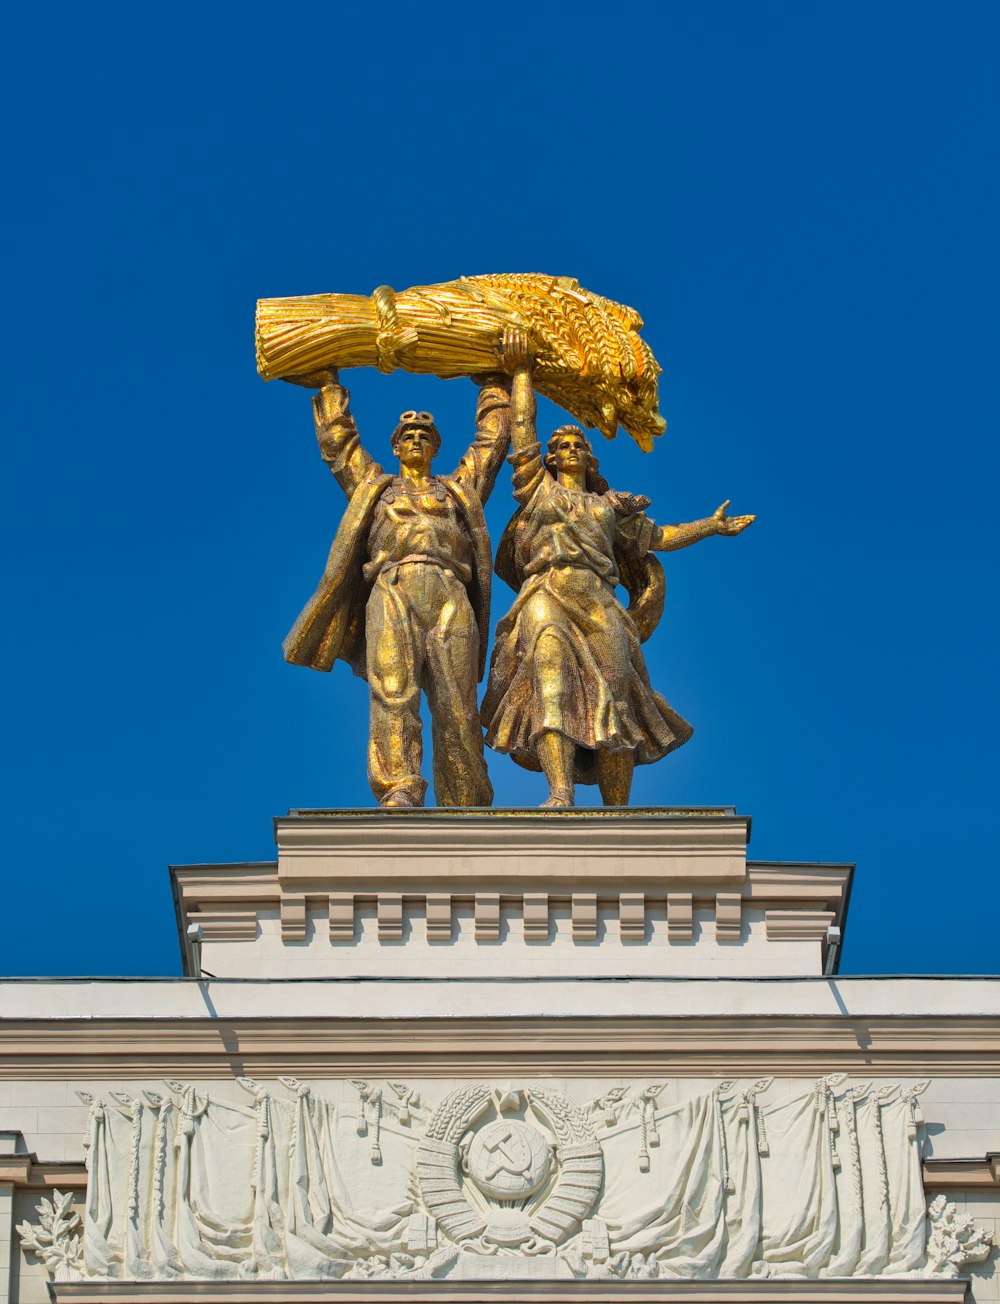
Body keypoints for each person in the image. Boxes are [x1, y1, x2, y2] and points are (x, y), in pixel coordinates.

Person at [481, 339, 755, 807]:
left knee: (615, 697)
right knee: (552, 684)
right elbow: (523, 430)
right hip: (545, 591)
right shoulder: (537, 492)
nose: (567, 449)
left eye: (577, 445)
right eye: (559, 446)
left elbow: (660, 537)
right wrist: (522, 373)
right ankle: (560, 792)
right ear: (548, 459)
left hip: (599, 599)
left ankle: (618, 813)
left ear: (590, 459)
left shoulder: (611, 507)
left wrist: (710, 526)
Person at [282, 365, 513, 808]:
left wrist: (497, 387)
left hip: (449, 590)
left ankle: (465, 799)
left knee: (459, 705)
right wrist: (331, 389)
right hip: (393, 587)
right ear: (394, 446)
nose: (416, 440)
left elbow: (490, 447)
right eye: (407, 435)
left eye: (425, 436)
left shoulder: (458, 490)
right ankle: (399, 787)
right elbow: (340, 448)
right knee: (392, 690)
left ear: (436, 447)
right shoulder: (376, 489)